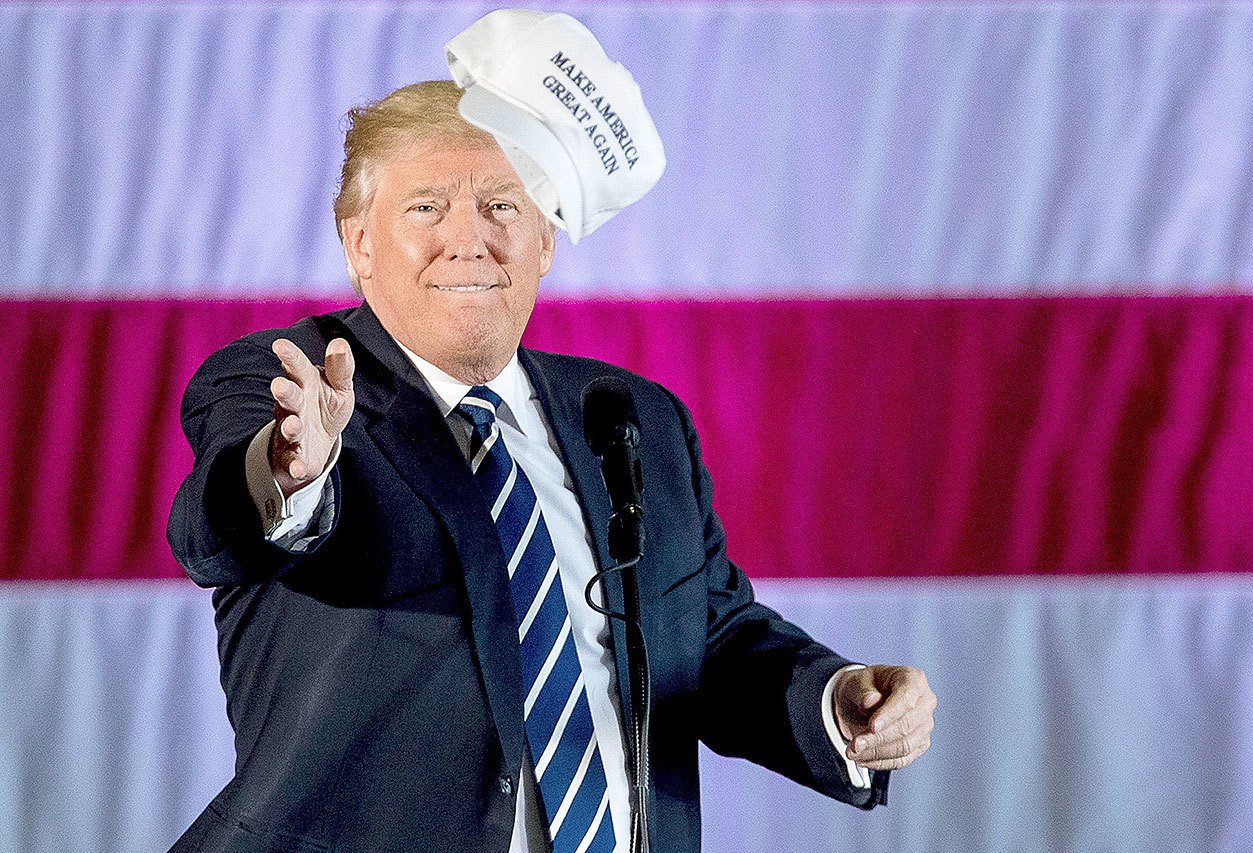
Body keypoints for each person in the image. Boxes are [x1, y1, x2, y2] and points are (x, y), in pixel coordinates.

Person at [167, 81, 935, 853]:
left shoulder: (638, 417)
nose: (468, 238)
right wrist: (292, 471)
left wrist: (834, 700)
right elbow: (219, 528)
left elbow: (707, 636)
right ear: (359, 241)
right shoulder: (284, 382)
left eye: (503, 205)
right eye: (426, 207)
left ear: (545, 240)